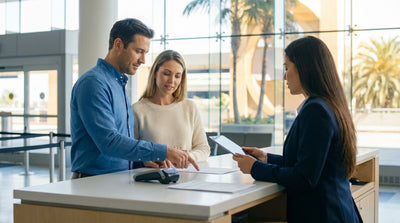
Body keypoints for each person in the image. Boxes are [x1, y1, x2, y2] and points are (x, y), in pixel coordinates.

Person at [233, 36, 362, 223]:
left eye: (287, 68)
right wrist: (266, 158)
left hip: (324, 215)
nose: (284, 76)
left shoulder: (316, 110)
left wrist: (255, 168)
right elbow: (311, 163)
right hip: (335, 210)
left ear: (305, 68)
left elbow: (304, 177)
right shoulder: (326, 104)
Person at [70, 18, 198, 179]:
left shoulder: (119, 84)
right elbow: (109, 142)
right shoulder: (93, 83)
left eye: (145, 53)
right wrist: (165, 151)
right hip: (92, 181)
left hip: (116, 180)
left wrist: (143, 162)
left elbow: (123, 145)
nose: (143, 60)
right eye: (138, 51)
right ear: (118, 45)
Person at [132, 50, 210, 167]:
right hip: (152, 179)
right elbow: (130, 151)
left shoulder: (189, 107)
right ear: (154, 73)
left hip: (187, 178)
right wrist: (145, 160)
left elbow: (203, 148)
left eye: (177, 76)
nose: (172, 81)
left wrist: (185, 158)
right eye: (166, 73)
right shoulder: (137, 110)